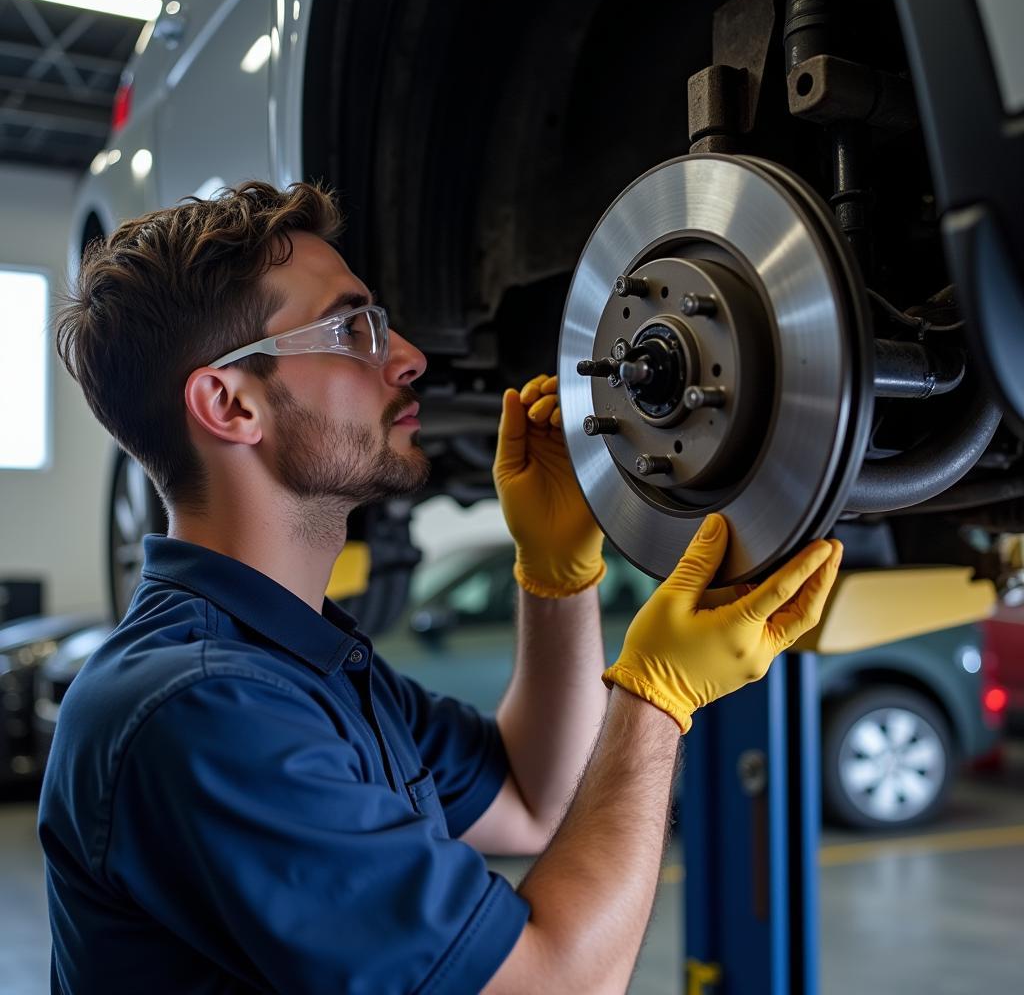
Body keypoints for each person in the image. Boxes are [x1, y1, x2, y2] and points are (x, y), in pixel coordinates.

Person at [40, 180, 842, 994]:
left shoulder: (293, 666)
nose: (408, 355)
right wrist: (656, 698)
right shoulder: (203, 709)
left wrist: (555, 580)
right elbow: (551, 985)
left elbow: (538, 799)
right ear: (229, 403)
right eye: (352, 327)